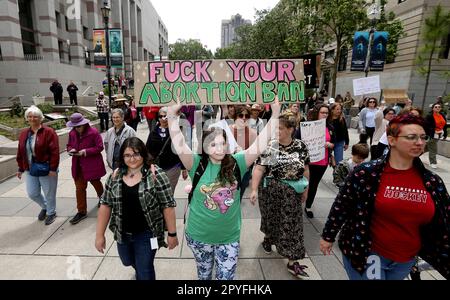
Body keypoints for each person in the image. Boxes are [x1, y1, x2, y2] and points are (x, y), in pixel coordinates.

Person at [320, 113, 450, 280]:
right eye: (411, 137)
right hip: (369, 255)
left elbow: (444, 219)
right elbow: (342, 206)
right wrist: (328, 236)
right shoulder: (366, 173)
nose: (419, 142)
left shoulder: (433, 181)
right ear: (392, 140)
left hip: (405, 260)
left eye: (423, 137)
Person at [167, 100, 280, 280]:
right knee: (204, 276)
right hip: (199, 236)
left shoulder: (238, 162)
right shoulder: (195, 163)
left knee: (226, 278)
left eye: (222, 144)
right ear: (204, 146)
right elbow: (179, 143)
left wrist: (274, 115)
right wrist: (172, 116)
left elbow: (260, 144)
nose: (219, 148)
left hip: (229, 238)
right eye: (213, 144)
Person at [95, 137, 178, 280]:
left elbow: (168, 206)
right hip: (123, 232)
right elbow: (105, 205)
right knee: (127, 261)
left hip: (147, 234)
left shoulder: (156, 175)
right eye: (127, 155)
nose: (132, 159)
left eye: (136, 154)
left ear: (143, 154)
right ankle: (139, 270)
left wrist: (172, 234)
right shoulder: (115, 176)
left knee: (145, 269)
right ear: (122, 157)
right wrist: (99, 235)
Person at [250, 111, 311, 279]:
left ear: (291, 129)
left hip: (292, 194)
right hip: (271, 192)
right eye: (276, 128)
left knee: (292, 226)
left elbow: (305, 169)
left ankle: (293, 261)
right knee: (271, 219)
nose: (277, 131)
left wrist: (306, 189)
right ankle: (268, 239)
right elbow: (259, 168)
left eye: (281, 128)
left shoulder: (300, 146)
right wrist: (254, 189)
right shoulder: (271, 146)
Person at [16, 106, 60, 225]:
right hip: (30, 168)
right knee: (32, 193)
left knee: (49, 192)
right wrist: (20, 168)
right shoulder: (24, 133)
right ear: (27, 118)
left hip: (46, 167)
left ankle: (51, 212)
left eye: (35, 116)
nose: (32, 119)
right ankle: (45, 206)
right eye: (29, 116)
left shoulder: (49, 132)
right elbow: (21, 151)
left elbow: (55, 151)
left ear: (40, 118)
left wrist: (53, 168)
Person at [66, 113, 106, 225]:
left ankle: (102, 197)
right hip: (78, 166)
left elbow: (99, 147)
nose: (77, 128)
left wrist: (85, 152)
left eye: (78, 126)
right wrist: (71, 149)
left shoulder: (93, 132)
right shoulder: (72, 133)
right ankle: (81, 211)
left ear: (84, 124)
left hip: (91, 164)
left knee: (96, 182)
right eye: (74, 126)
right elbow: (68, 145)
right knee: (79, 188)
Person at [303, 104, 335, 218]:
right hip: (307, 162)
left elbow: (334, 143)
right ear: (317, 113)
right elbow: (297, 139)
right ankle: (298, 202)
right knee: (302, 183)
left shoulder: (330, 127)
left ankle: (308, 205)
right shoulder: (308, 126)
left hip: (322, 162)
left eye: (327, 113)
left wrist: (330, 145)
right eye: (322, 112)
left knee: (313, 184)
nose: (325, 115)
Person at [146, 107, 187, 193]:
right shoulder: (153, 133)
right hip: (157, 168)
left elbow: (181, 150)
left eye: (166, 116)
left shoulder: (176, 131)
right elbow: (147, 150)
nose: (163, 119)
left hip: (173, 168)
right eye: (161, 116)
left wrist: (184, 168)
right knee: (158, 192)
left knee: (169, 193)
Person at [229, 106, 257, 199]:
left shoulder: (253, 133)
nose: (244, 118)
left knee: (238, 198)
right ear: (235, 116)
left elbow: (255, 154)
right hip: (227, 169)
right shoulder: (227, 130)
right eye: (241, 115)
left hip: (245, 170)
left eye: (247, 116)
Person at [425, 103, 448, 169]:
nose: (437, 108)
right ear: (433, 108)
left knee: (426, 148)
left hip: (439, 134)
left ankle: (413, 157)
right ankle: (433, 162)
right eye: (436, 107)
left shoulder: (442, 115)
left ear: (441, 108)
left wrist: (445, 134)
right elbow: (426, 126)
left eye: (439, 107)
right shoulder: (429, 116)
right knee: (433, 149)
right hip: (432, 135)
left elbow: (445, 125)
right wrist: (433, 131)